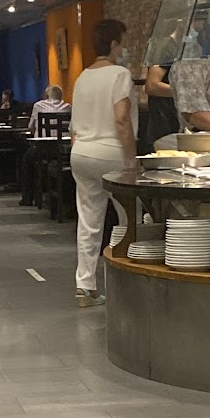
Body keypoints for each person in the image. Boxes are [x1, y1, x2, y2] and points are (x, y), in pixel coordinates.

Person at [69, 17, 137, 307]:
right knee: (129, 218)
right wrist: (131, 160)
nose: (123, 49)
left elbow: (74, 128)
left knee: (89, 222)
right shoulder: (120, 74)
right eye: (122, 43)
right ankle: (129, 282)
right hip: (111, 152)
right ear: (113, 44)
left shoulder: (82, 77)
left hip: (81, 152)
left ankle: (85, 287)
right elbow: (122, 119)